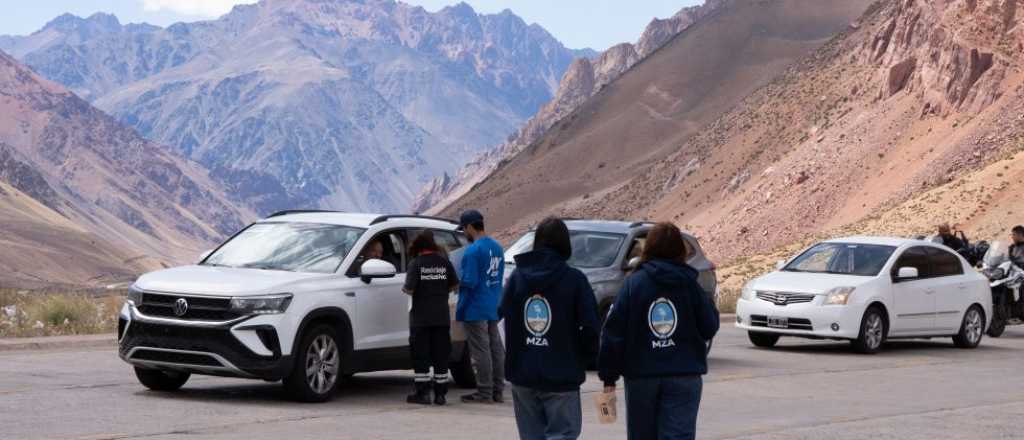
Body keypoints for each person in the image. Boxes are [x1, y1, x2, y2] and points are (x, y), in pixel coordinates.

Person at [598, 222, 719, 440]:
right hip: (684, 374)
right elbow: (709, 326)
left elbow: (613, 333)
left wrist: (609, 377)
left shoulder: (633, 284)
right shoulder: (691, 284)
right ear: (680, 250)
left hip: (642, 377)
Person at [501, 217, 600, 440]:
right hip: (562, 376)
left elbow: (502, 318)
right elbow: (591, 327)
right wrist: (583, 359)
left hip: (523, 375)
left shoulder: (516, 278)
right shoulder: (574, 280)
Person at [456, 209, 507, 404]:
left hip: (475, 307)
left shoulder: (472, 251)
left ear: (469, 227)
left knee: (480, 351)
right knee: (495, 348)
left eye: (464, 230)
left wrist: (460, 307)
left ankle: (484, 391)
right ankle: (497, 390)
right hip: (492, 304)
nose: (464, 234)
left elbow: (469, 282)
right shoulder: (497, 247)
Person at [403, 231, 459, 405]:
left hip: (421, 318)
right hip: (441, 317)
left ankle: (423, 393)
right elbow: (455, 285)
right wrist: (440, 290)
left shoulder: (416, 264)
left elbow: (409, 290)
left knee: (421, 355)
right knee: (441, 354)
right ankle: (440, 394)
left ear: (418, 247)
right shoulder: (444, 263)